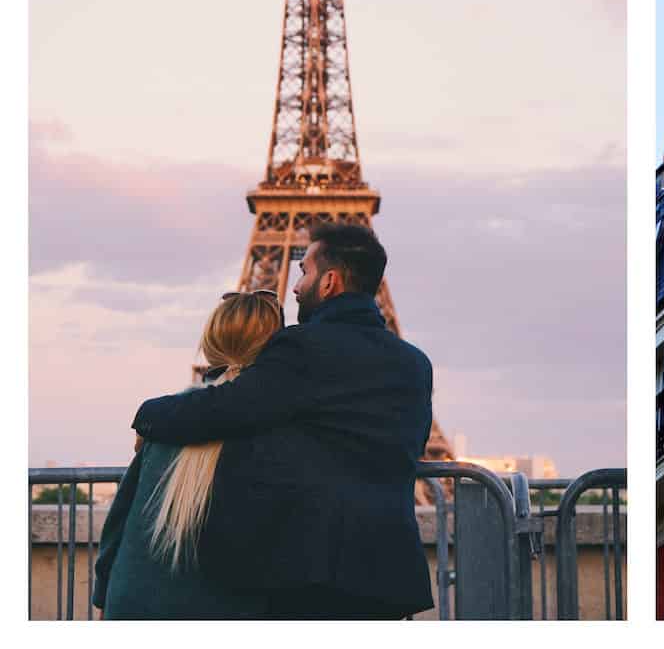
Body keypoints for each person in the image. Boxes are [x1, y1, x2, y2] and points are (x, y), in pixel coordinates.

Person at [128, 223, 436, 619]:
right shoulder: (415, 364)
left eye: (303, 271)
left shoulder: (302, 347)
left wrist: (147, 414)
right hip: (387, 571)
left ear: (329, 282)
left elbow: (225, 408)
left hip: (311, 572)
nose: (294, 286)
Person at [92, 291, 286, 618]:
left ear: (210, 344)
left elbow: (119, 520)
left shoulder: (164, 420)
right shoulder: (276, 430)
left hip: (133, 599)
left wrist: (103, 596)